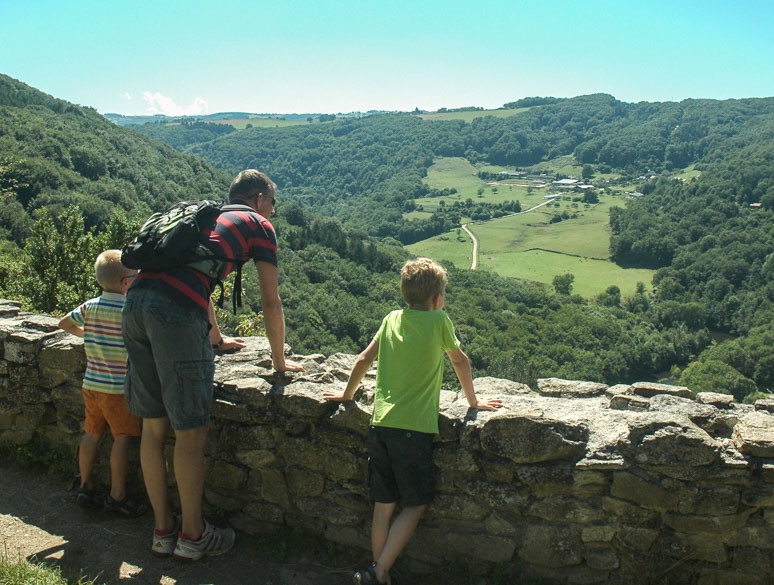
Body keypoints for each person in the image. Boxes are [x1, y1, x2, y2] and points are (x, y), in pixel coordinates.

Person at [123, 169, 304, 562]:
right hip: (173, 314)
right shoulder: (257, 225)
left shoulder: (205, 219)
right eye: (272, 204)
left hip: (135, 303)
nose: (273, 213)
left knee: (153, 429)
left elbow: (196, 276)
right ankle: (193, 536)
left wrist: (216, 338)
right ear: (259, 199)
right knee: (190, 433)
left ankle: (162, 532)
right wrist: (279, 360)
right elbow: (270, 301)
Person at [324, 257, 503, 585]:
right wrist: (474, 401)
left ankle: (379, 571)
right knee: (416, 504)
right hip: (414, 430)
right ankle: (377, 573)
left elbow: (364, 359)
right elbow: (460, 361)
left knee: (384, 505)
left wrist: (347, 396)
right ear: (437, 299)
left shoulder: (392, 318)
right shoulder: (439, 322)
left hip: (380, 425)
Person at [58, 249, 147, 518]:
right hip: (117, 390)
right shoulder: (128, 311)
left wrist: (87, 333)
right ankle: (117, 496)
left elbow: (64, 323)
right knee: (121, 439)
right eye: (134, 275)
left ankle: (85, 485)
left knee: (91, 433)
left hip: (91, 385)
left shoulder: (91, 306)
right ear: (125, 282)